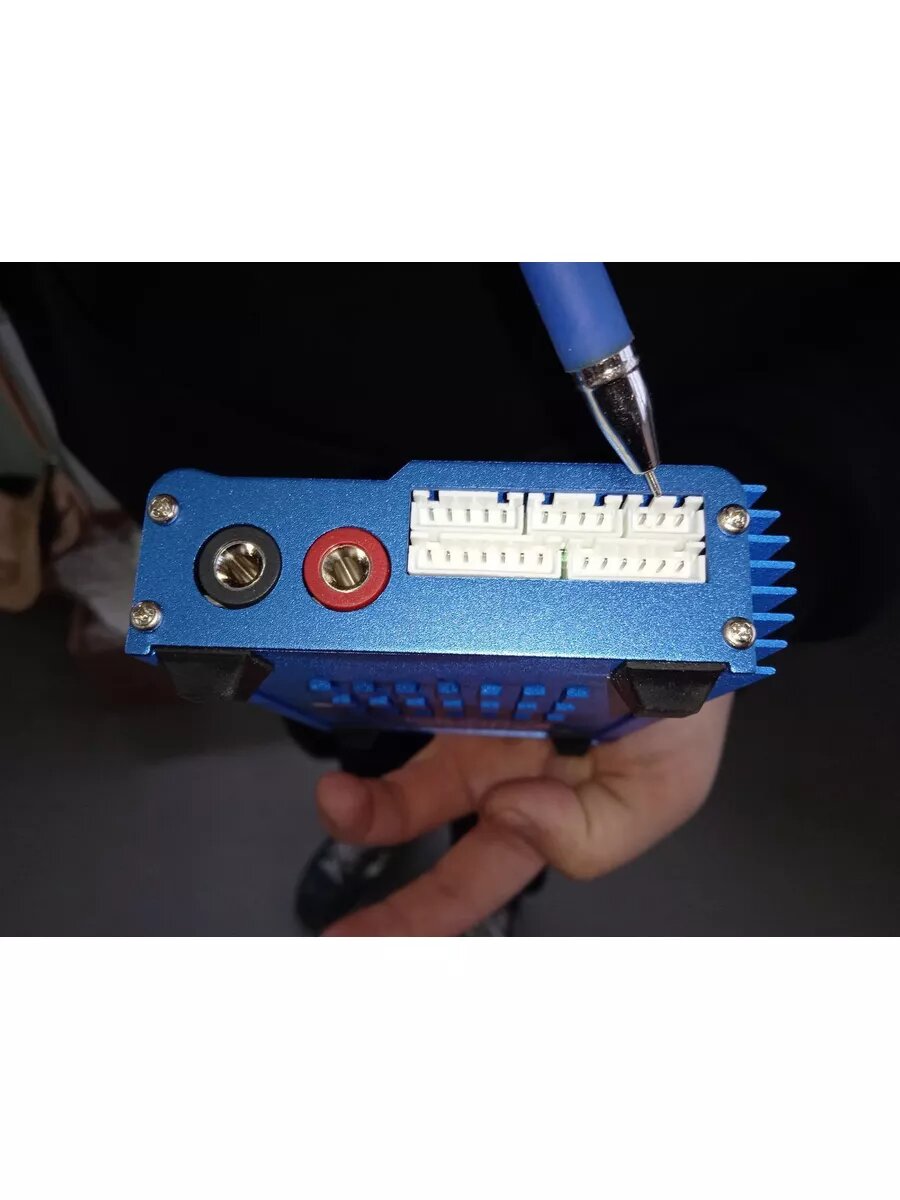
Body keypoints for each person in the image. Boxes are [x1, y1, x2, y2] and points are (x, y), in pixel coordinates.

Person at [4, 264, 893, 935]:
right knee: (355, 719)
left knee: (515, 771)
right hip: (170, 390)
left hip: (645, 416)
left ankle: (492, 859)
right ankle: (374, 790)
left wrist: (797, 486)